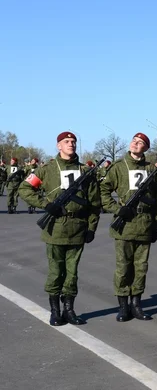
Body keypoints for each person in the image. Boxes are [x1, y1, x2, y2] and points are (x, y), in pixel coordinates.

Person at [19, 131, 101, 325]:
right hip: (55, 227)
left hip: (78, 227)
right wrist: (45, 204)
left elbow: (94, 203)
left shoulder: (85, 171)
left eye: (73, 141)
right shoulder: (47, 169)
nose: (71, 144)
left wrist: (91, 228)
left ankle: (69, 309)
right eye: (66, 141)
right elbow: (25, 188)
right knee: (56, 271)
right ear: (58, 146)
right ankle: (55, 310)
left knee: (72, 273)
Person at [100, 133, 157, 322]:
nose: (136, 144)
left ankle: (136, 303)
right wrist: (117, 210)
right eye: (134, 141)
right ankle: (123, 306)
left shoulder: (152, 169)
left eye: (141, 143)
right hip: (125, 224)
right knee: (123, 267)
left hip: (144, 224)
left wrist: (156, 224)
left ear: (146, 148)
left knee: (141, 267)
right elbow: (103, 191)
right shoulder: (118, 167)